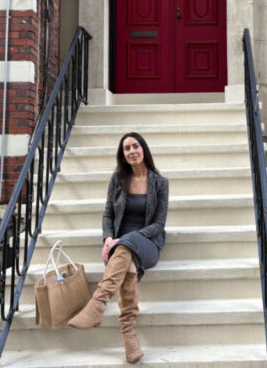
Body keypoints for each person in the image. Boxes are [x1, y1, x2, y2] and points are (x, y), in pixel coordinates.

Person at [68, 132, 168, 364]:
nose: (132, 151)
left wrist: (126, 239)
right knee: (128, 264)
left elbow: (159, 224)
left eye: (135, 146)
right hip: (118, 247)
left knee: (127, 247)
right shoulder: (118, 179)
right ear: (123, 155)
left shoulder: (160, 183)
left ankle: (98, 303)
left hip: (148, 243)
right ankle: (129, 337)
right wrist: (108, 238)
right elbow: (108, 214)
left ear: (143, 149)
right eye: (127, 148)